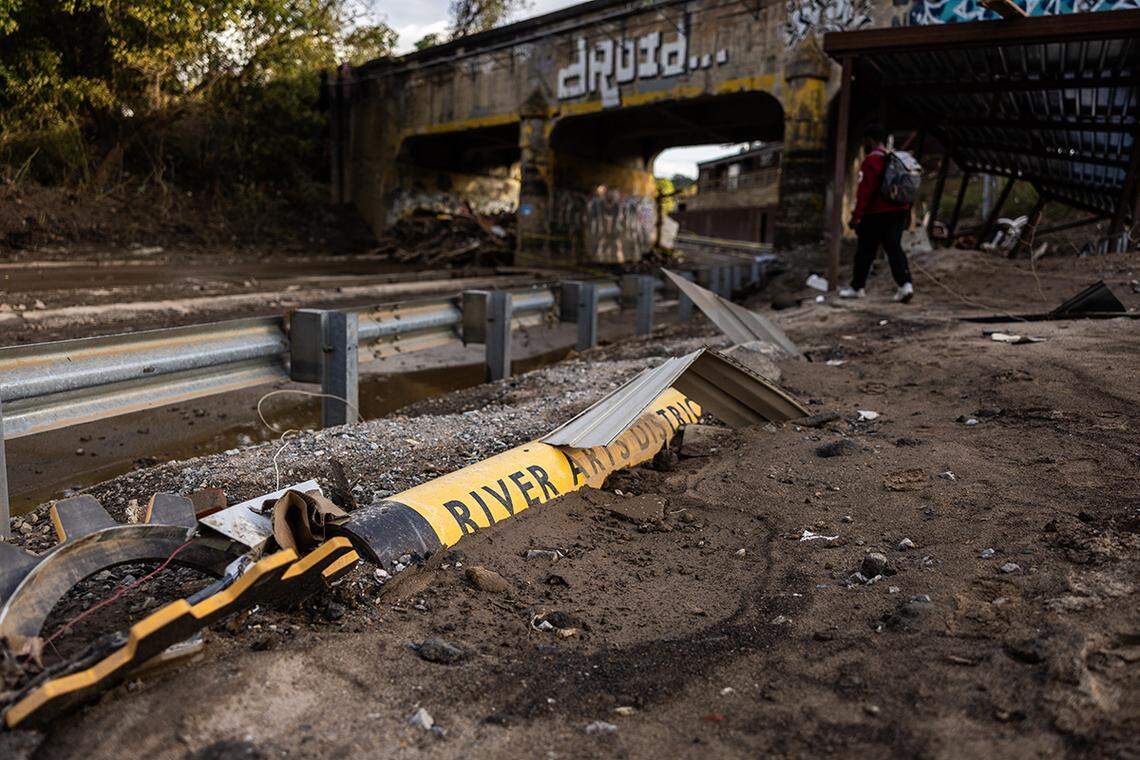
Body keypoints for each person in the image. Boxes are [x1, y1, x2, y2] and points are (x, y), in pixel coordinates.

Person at [839, 124, 915, 303]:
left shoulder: (871, 161)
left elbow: (865, 191)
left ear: (869, 140)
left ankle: (857, 287)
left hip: (876, 213)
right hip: (899, 211)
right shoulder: (894, 159)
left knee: (865, 251)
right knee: (894, 247)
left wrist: (856, 216)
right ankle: (905, 285)